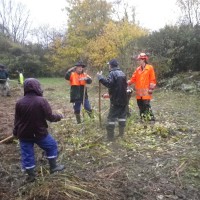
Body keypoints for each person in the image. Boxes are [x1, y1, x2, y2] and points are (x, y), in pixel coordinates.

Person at [13, 78, 65, 182]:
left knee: (27, 154)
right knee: (52, 145)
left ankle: (31, 176)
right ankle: (53, 167)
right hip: (39, 133)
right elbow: (50, 117)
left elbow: (17, 120)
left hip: (23, 134)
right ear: (37, 87)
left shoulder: (19, 102)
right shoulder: (42, 101)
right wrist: (59, 116)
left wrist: (15, 132)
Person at [97, 59, 128, 141]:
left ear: (110, 66)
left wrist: (100, 77)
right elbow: (122, 86)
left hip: (116, 100)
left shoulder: (112, 73)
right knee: (122, 116)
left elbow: (109, 84)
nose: (108, 66)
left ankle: (110, 138)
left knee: (111, 118)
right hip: (124, 99)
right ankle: (121, 134)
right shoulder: (122, 73)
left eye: (109, 65)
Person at [128, 53, 156, 122]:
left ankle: (151, 119)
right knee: (140, 105)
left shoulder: (149, 68)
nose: (138, 61)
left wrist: (151, 89)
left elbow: (153, 79)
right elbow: (133, 78)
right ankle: (143, 118)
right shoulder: (138, 69)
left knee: (146, 105)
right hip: (139, 92)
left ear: (143, 60)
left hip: (146, 91)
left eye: (139, 60)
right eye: (138, 60)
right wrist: (127, 82)